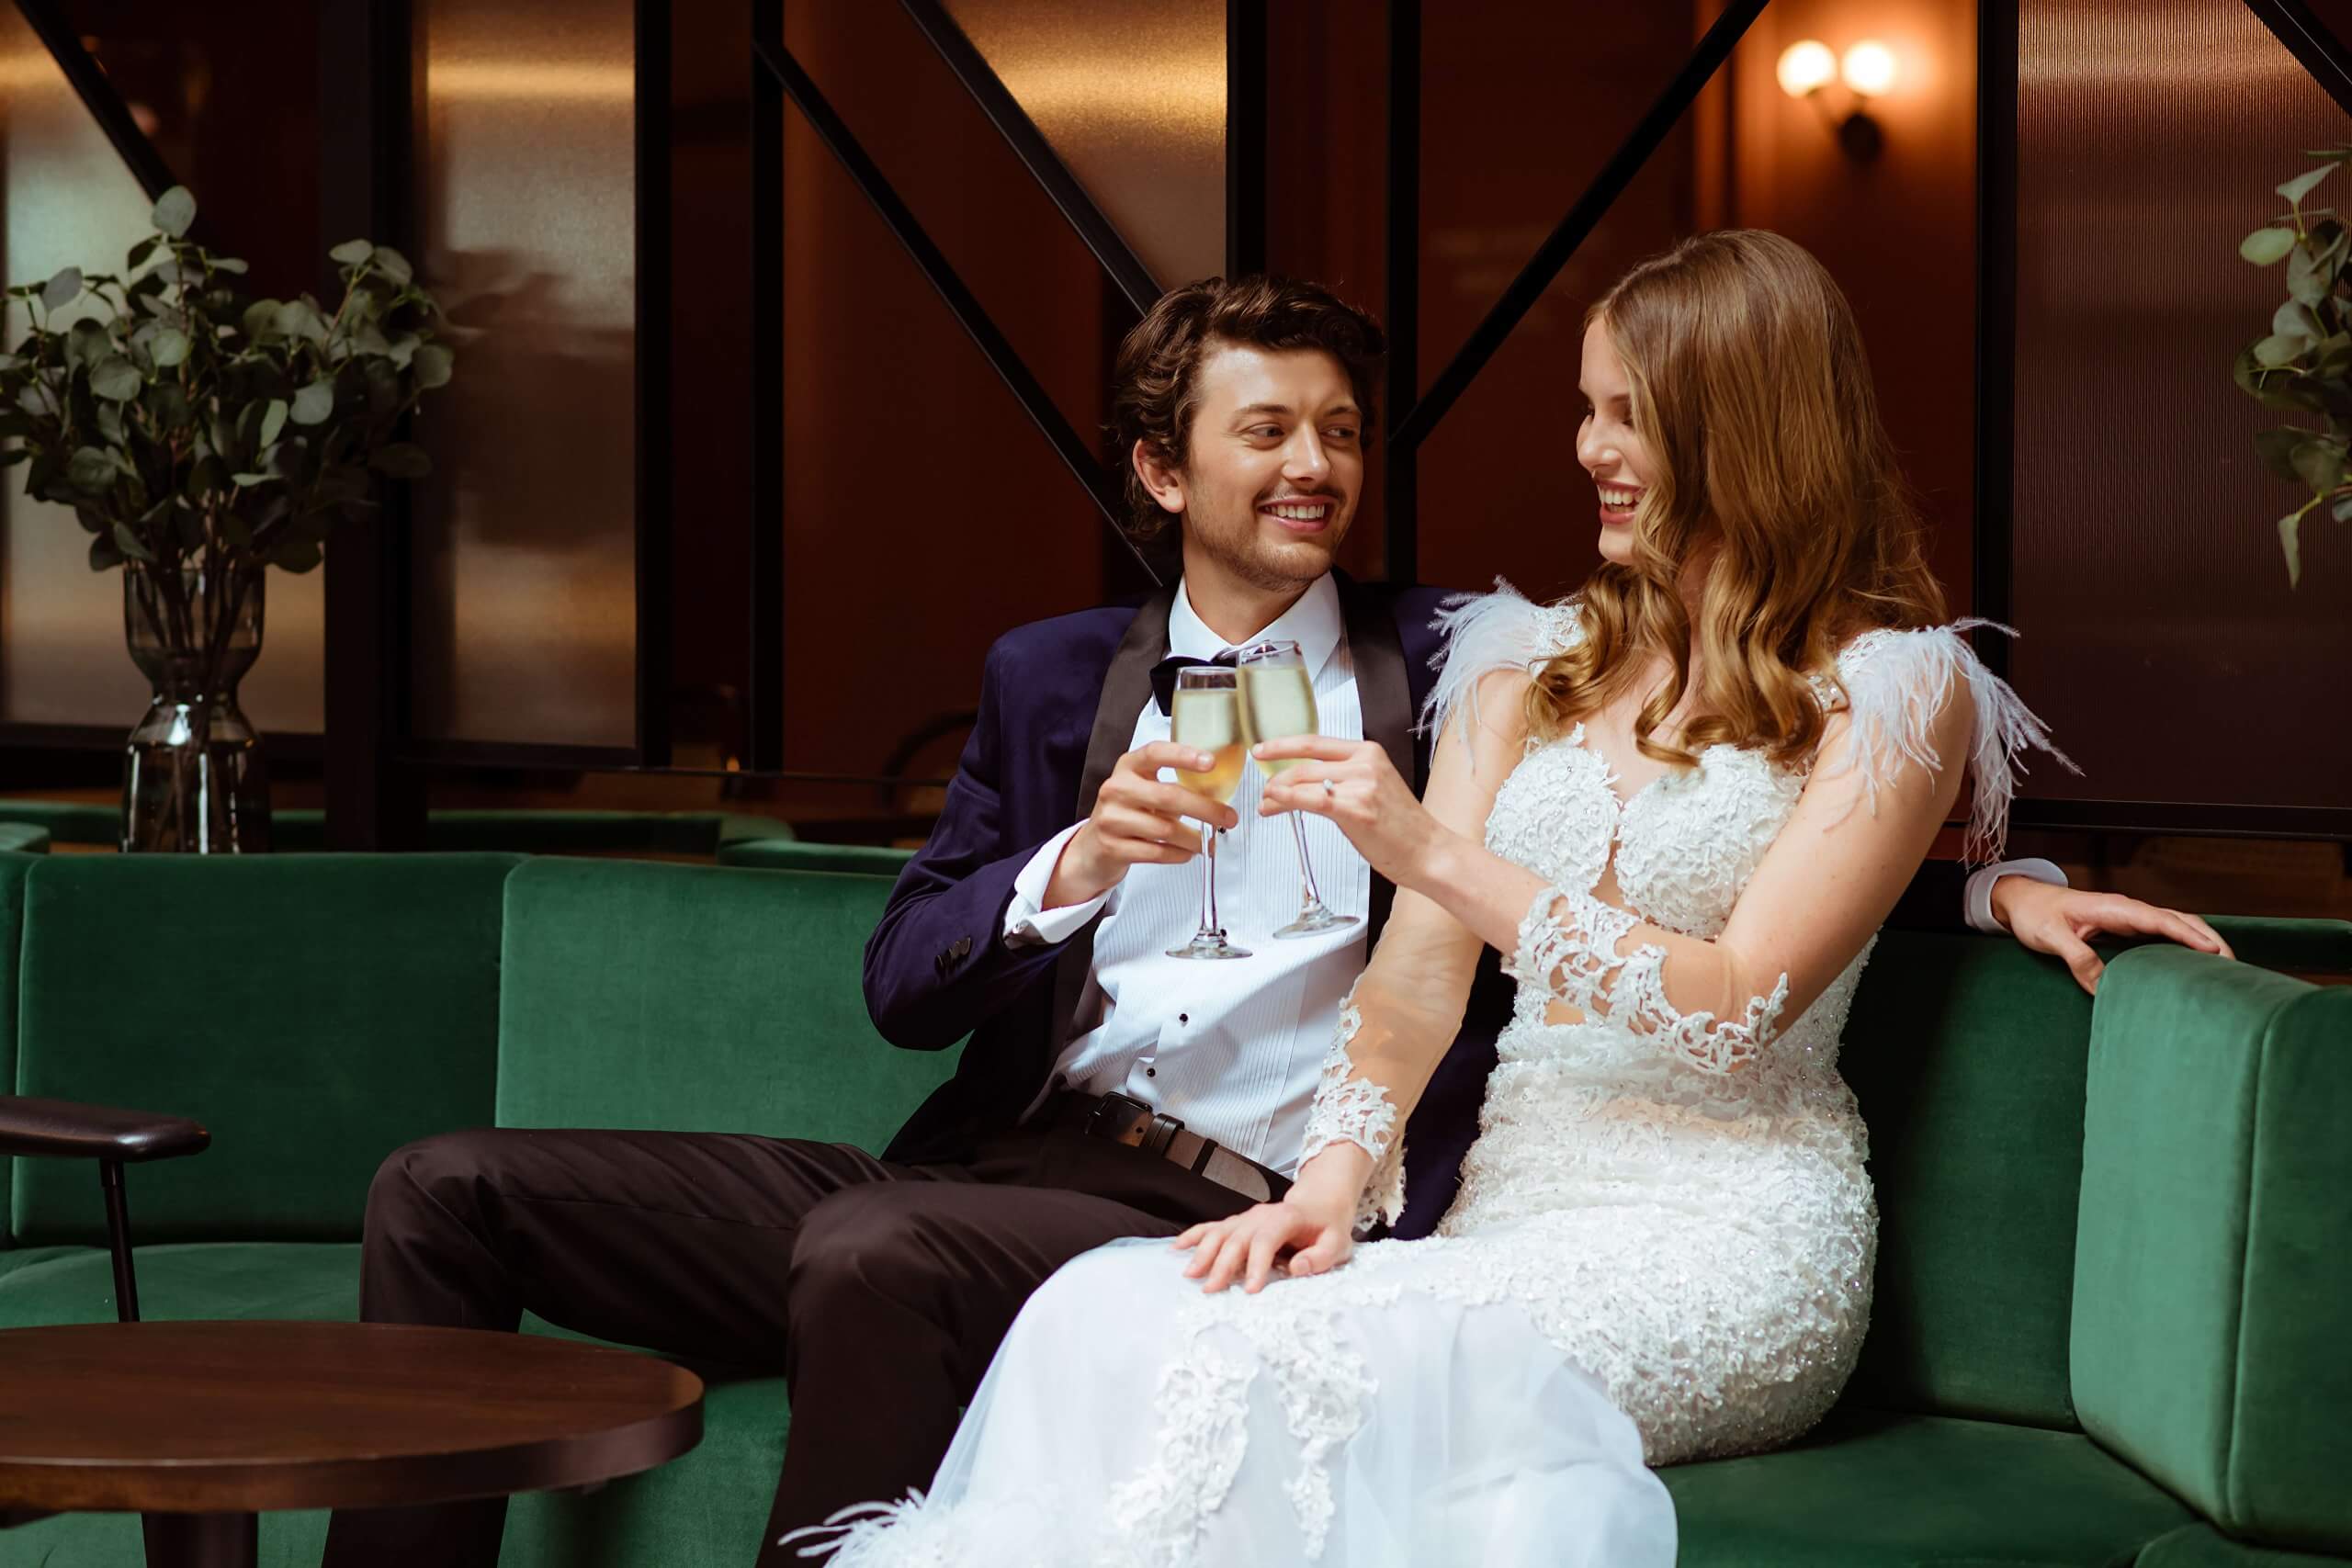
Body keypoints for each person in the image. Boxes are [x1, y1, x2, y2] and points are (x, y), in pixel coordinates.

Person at [320, 270, 2220, 1568]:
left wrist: (1985, 879)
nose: (1314, 465)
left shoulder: (1443, 655)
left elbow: (1734, 846)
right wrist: (1072, 863)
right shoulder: (1058, 675)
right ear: (1164, 473)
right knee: (447, 1185)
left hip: (1251, 1194)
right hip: (1003, 1153)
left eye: (1341, 431)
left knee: (880, 1258)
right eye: (1265, 432)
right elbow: (904, 980)